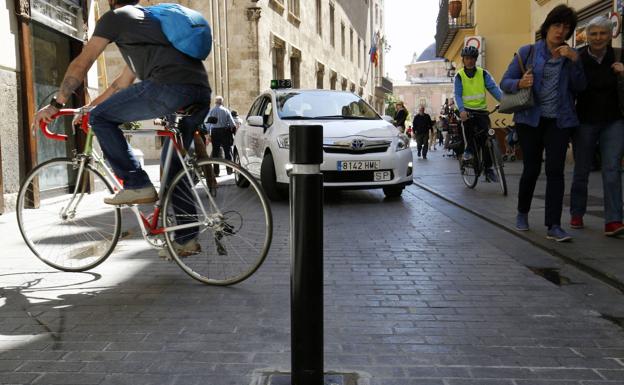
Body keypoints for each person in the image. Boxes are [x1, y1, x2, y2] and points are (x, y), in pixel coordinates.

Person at [33, 0, 211, 254]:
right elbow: (120, 84)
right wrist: (88, 108)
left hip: (169, 87)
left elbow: (82, 62)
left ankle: (136, 183)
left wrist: (56, 103)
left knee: (102, 119)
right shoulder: (147, 26)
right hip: (198, 93)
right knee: (174, 168)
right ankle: (186, 238)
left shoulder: (115, 17)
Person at [501, 4, 586, 242]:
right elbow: (504, 82)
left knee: (555, 171)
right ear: (548, 26)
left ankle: (554, 225)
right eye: (557, 25)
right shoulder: (528, 51)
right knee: (531, 168)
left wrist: (576, 60)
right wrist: (520, 84)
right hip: (530, 120)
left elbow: (581, 87)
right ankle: (522, 212)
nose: (561, 31)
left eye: (566, 28)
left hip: (559, 121)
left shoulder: (570, 57)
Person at [570, 15, 624, 237]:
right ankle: (577, 212)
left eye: (603, 33)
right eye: (594, 33)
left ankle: (613, 220)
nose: (598, 37)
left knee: (612, 168)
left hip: (614, 120)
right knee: (581, 169)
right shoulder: (578, 58)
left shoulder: (620, 56)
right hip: (584, 121)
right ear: (586, 36)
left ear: (610, 34)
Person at [454, 45, 502, 182]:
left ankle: (488, 169)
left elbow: (494, 89)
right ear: (463, 60)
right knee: (467, 129)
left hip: (481, 111)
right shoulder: (459, 76)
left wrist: (504, 101)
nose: (469, 61)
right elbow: (457, 95)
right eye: (467, 58)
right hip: (467, 111)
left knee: (487, 139)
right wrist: (462, 110)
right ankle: (468, 151)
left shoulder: (483, 73)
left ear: (476, 60)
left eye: (472, 58)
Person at [204, 96, 236, 175]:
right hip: (225, 132)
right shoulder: (226, 110)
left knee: (215, 152)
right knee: (227, 151)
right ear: (222, 102)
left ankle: (216, 172)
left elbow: (207, 124)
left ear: (215, 102)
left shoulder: (212, 111)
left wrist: (208, 135)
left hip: (215, 132)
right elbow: (232, 124)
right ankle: (229, 170)